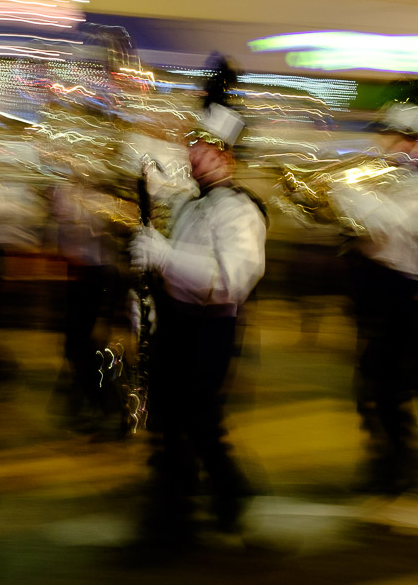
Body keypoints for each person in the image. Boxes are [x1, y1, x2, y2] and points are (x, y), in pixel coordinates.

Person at [129, 99, 268, 541]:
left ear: (226, 156)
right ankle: (176, 494)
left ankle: (230, 494)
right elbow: (170, 271)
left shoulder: (240, 211)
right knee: (169, 417)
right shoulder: (191, 203)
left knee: (201, 419)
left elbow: (230, 282)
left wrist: (165, 255)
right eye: (192, 146)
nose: (191, 155)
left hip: (209, 329)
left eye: (203, 149)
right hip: (177, 323)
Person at [330, 103, 418, 494]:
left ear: (410, 141)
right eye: (384, 137)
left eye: (391, 138)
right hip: (373, 286)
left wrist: (371, 204)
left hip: (407, 291)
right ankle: (392, 455)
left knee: (386, 385)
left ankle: (400, 460)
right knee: (372, 383)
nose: (384, 145)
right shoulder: (375, 176)